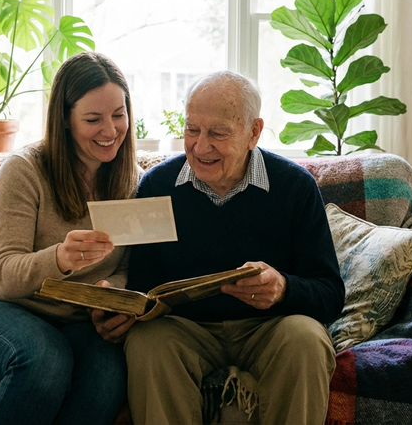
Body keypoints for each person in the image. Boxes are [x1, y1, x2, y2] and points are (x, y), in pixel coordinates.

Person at [116, 70, 345, 425]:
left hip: (270, 328)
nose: (200, 146)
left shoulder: (295, 187)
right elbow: (143, 284)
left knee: (306, 339)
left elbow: (330, 293)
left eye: (218, 133)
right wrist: (124, 308)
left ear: (254, 132)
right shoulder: (157, 185)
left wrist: (283, 288)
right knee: (147, 342)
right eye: (192, 129)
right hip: (185, 329)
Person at [0, 51, 140, 425]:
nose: (111, 130)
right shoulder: (24, 170)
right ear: (64, 119)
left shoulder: (132, 182)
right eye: (93, 119)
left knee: (108, 374)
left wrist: (109, 298)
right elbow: (4, 277)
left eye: (119, 114)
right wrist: (60, 258)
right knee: (46, 359)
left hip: (74, 323)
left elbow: (125, 268)